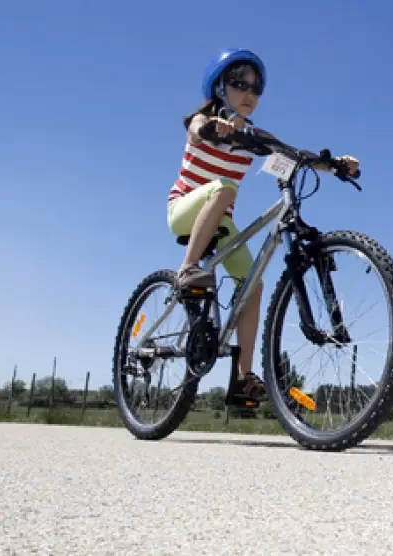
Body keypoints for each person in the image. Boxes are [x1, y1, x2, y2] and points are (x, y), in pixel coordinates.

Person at [166, 48, 359, 400]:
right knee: (225, 188)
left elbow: (297, 154)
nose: (249, 94)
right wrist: (212, 127)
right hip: (183, 210)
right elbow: (196, 131)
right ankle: (187, 269)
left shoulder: (254, 136)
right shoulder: (203, 119)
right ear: (220, 88)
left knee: (252, 286)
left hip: (220, 222)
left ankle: (243, 378)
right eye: (239, 84)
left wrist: (335, 166)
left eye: (256, 89)